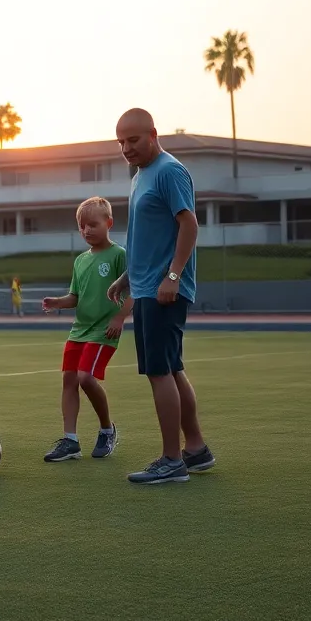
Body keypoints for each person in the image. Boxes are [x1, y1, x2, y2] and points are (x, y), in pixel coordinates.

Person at [108, 108, 215, 484]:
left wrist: (173, 275)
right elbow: (148, 236)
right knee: (171, 368)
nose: (126, 148)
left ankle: (172, 460)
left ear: (153, 134)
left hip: (163, 289)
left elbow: (189, 223)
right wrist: (126, 278)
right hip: (147, 285)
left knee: (158, 372)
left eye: (133, 140)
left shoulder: (169, 171)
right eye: (120, 141)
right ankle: (196, 450)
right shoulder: (141, 175)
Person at [41, 197, 131, 462]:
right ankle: (70, 441)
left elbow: (134, 289)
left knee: (85, 378)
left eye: (93, 224)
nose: (87, 230)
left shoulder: (119, 255)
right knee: (69, 381)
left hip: (105, 330)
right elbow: (75, 297)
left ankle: (107, 429)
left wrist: (120, 318)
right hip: (78, 331)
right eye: (82, 226)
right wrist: (59, 302)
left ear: (109, 223)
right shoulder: (80, 260)